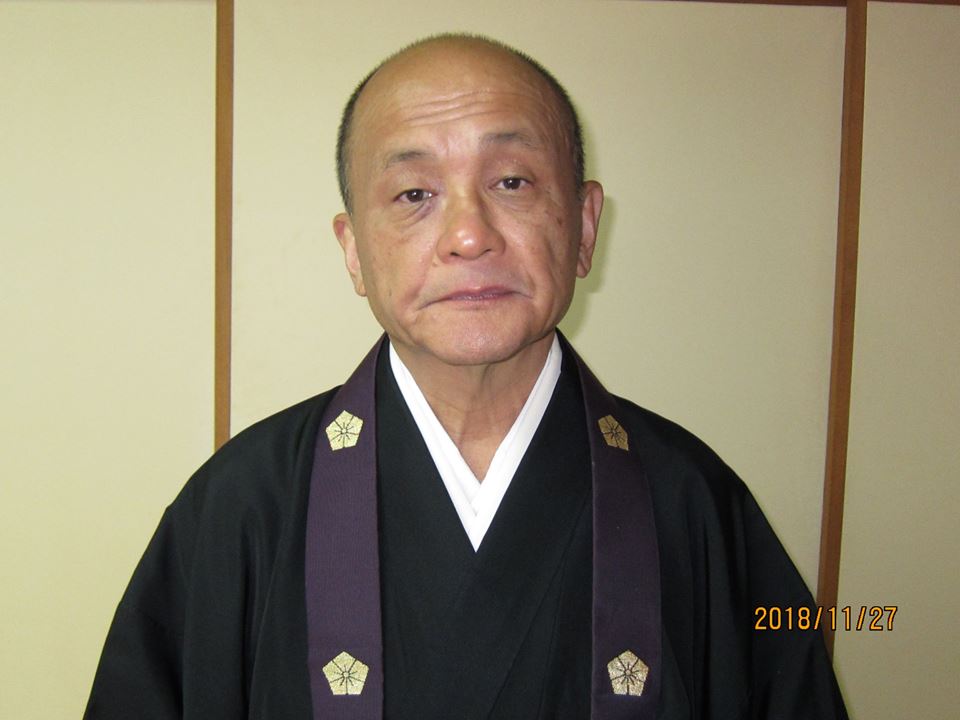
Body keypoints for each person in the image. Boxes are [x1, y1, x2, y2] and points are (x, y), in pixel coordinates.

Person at [85, 34, 848, 719]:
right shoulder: (242, 505)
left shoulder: (694, 499)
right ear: (353, 251)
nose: (468, 235)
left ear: (585, 228)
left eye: (512, 182)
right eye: (414, 194)